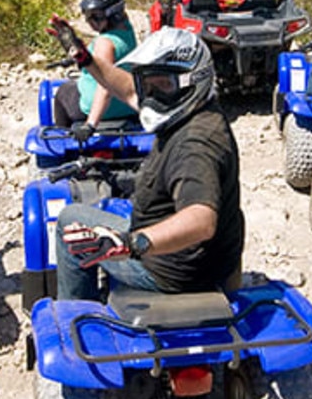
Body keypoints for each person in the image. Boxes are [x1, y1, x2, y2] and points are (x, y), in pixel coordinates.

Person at [45, 20, 245, 299]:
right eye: (147, 83)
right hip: (205, 262)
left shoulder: (196, 142)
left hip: (171, 271)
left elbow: (201, 219)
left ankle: (76, 320)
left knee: (70, 220)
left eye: (162, 84)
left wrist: (132, 244)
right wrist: (86, 59)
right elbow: (127, 89)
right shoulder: (189, 108)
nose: (150, 94)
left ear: (194, 80)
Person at [51, 0, 138, 141]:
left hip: (101, 109)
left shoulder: (104, 43)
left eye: (96, 17)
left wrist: (91, 125)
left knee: (62, 94)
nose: (91, 23)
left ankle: (63, 144)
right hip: (128, 104)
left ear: (111, 14)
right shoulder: (125, 27)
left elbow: (105, 86)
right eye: (88, 17)